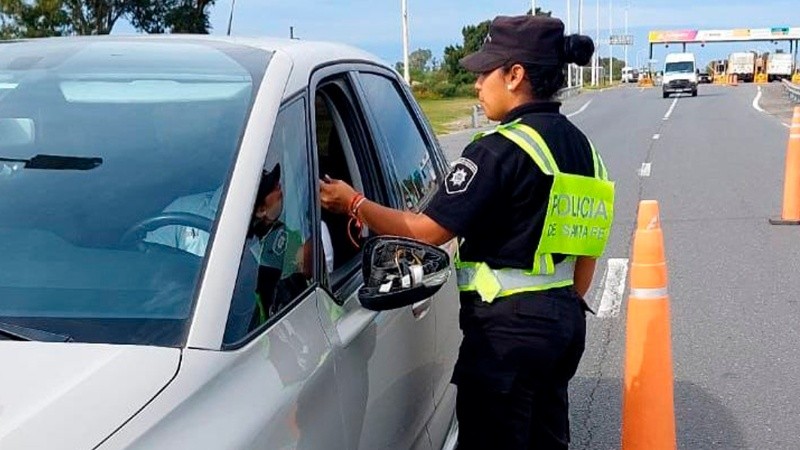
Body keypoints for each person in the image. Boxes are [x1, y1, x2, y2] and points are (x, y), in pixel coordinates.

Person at [320, 15, 613, 450]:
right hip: (564, 326)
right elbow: (586, 253)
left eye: (483, 73)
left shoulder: (499, 150)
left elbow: (424, 233)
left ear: (515, 76)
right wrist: (554, 306)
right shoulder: (583, 148)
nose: (477, 85)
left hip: (506, 340)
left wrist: (354, 203)